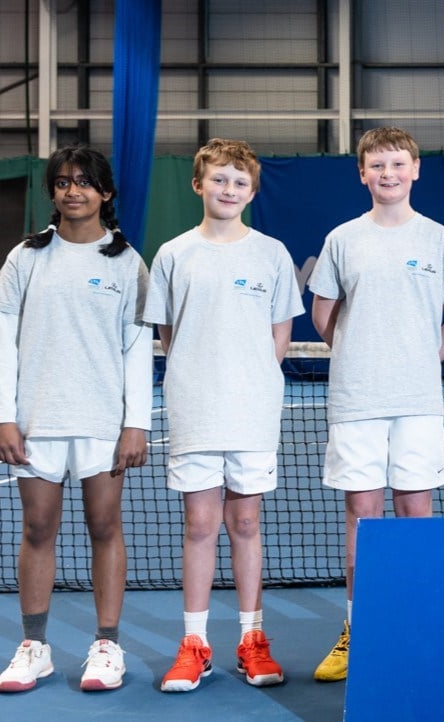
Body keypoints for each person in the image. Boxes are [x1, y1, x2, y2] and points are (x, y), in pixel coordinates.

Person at [309, 126, 444, 682]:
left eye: (397, 164)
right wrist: (361, 356)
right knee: (363, 515)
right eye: (377, 165)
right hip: (356, 400)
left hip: (418, 403)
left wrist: (421, 361)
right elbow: (323, 315)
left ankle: (414, 624)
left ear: (415, 169)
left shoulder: (438, 239)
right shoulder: (342, 239)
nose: (388, 174)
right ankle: (360, 629)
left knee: (415, 514)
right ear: (362, 173)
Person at [146, 138, 304, 693]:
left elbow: (278, 336)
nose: (229, 189)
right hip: (194, 412)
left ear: (252, 191)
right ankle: (194, 645)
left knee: (245, 524)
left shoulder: (272, 254)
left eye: (240, 182)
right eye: (219, 179)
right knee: (199, 526)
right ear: (198, 184)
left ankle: (252, 641)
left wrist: (251, 381)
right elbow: (169, 336)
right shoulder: (172, 254)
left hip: (253, 412)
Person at [0, 146, 150, 693]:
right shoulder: (25, 259)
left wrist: (137, 424)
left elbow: (137, 349)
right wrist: (2, 419)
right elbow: (4, 344)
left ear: (105, 193)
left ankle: (107, 645)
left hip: (104, 424)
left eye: (84, 182)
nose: (72, 191)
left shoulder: (128, 263)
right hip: (36, 423)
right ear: (52, 193)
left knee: (105, 527)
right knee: (37, 529)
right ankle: (34, 648)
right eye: (62, 182)